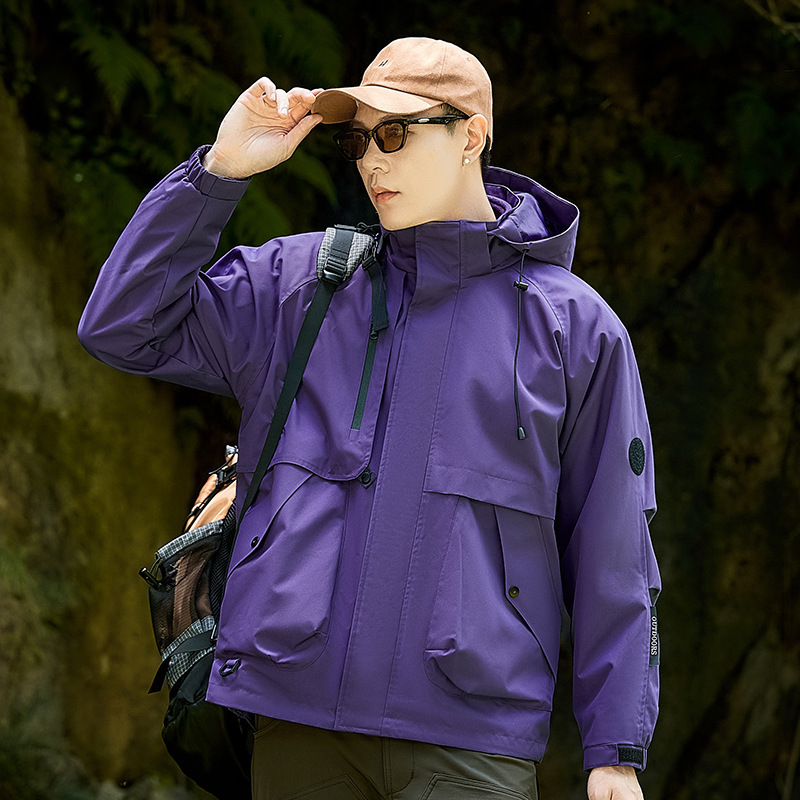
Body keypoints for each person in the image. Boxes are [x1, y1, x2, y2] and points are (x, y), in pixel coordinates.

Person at [79, 37, 660, 800]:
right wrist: (217, 174)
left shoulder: (575, 330)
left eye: (394, 133)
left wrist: (614, 749)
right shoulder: (300, 287)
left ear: (471, 136)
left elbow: (614, 548)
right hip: (294, 725)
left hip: (470, 746)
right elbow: (123, 324)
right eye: (357, 140)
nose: (371, 162)